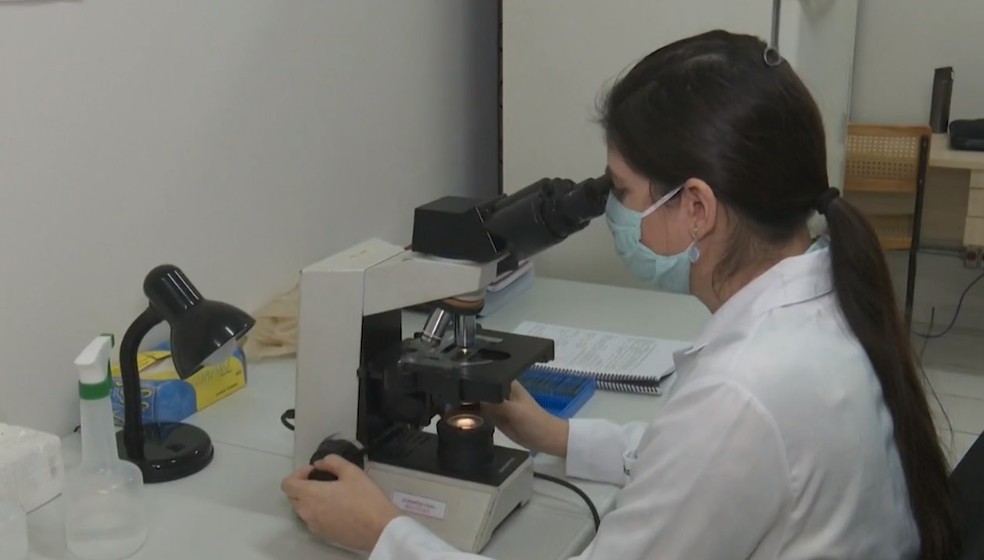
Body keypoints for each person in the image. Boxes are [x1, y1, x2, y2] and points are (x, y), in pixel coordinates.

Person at [281, 30, 957, 560]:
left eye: (624, 191)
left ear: (696, 207)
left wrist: (384, 534)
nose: (614, 212)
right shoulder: (826, 299)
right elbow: (697, 467)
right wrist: (561, 436)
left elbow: (718, 445)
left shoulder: (744, 392)